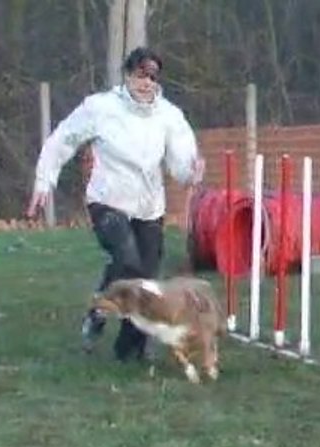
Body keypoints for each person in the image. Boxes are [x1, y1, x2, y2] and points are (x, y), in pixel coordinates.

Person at [27, 47, 205, 361]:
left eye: (152, 77)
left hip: (149, 207)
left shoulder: (169, 116)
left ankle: (130, 349)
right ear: (127, 76)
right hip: (108, 201)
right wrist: (44, 181)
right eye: (139, 75)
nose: (146, 83)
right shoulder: (101, 108)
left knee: (147, 280)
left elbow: (180, 162)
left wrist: (191, 170)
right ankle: (97, 312)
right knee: (127, 261)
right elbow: (63, 140)